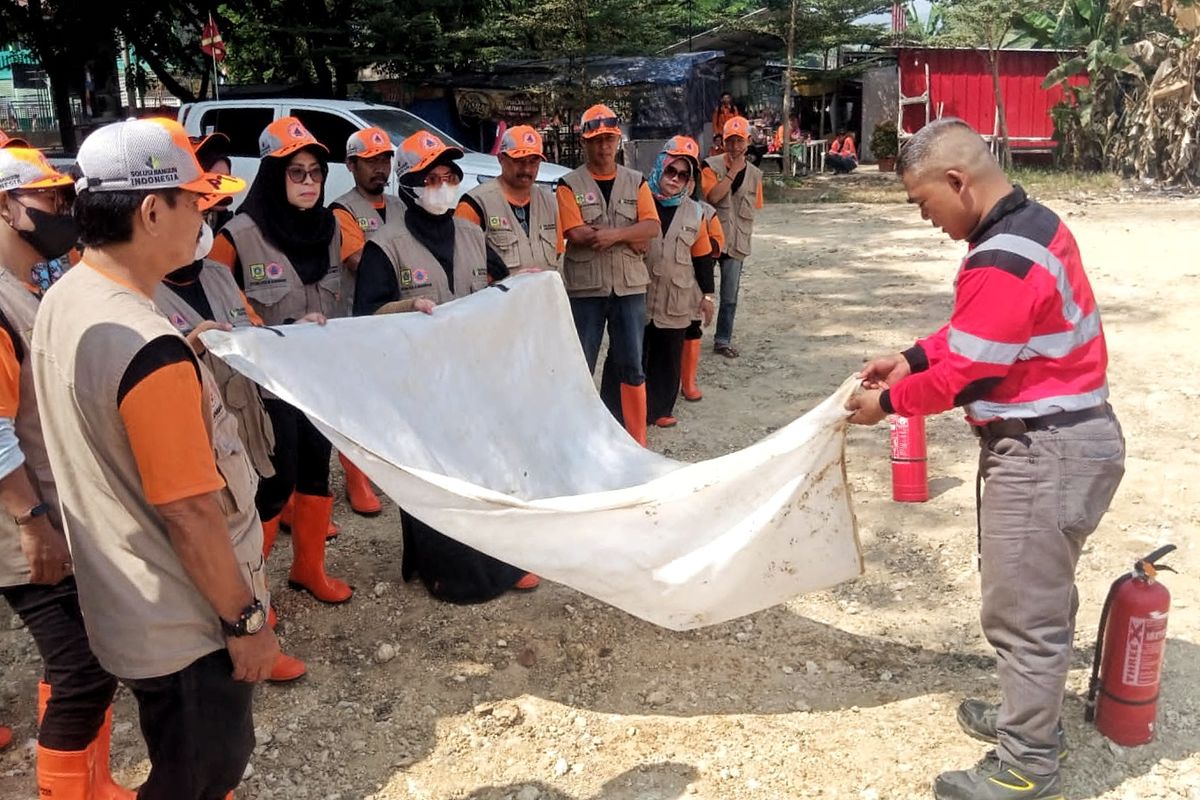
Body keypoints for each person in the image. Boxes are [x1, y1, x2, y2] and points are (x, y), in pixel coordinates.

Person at [846, 118, 1125, 800]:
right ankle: (1027, 715)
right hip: (1067, 440)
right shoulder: (1030, 226)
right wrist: (911, 355)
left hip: (1044, 450)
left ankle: (1028, 761)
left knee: (1022, 611)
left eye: (923, 203)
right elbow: (975, 333)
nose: (926, 218)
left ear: (956, 181)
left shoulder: (1001, 257)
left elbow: (966, 374)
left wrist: (888, 403)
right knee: (1040, 596)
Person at [32, 117, 278, 800]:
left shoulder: (70, 294)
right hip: (185, 624)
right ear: (150, 209)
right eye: (194, 200)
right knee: (200, 774)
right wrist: (247, 623)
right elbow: (192, 512)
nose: (205, 213)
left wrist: (184, 355)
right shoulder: (148, 347)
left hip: (125, 600)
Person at [352, 130, 540, 602]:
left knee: (483, 468)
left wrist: (524, 283)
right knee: (433, 476)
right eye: (430, 177)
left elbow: (498, 286)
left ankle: (500, 558)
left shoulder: (473, 235)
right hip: (420, 384)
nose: (442, 185)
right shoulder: (386, 246)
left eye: (449, 176)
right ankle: (445, 570)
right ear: (409, 184)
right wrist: (405, 308)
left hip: (475, 376)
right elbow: (363, 317)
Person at [0, 146, 132, 798]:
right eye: (50, 199)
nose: (64, 211)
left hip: (51, 508)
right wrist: (29, 522)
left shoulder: (34, 284)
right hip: (22, 521)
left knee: (81, 662)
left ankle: (94, 782)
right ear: (5, 205)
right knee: (81, 669)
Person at [154, 175, 308, 685]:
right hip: (190, 431)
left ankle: (255, 613)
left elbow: (251, 329)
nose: (206, 226)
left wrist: (296, 332)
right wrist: (190, 345)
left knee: (257, 509)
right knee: (212, 530)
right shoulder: (140, 292)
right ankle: (228, 635)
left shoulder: (218, 275)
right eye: (200, 212)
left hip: (243, 417)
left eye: (212, 215)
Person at [208, 116, 354, 604]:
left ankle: (309, 570)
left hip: (320, 380)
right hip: (263, 386)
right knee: (275, 485)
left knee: (317, 470)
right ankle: (253, 594)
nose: (309, 182)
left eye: (315, 172)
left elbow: (350, 288)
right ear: (274, 175)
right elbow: (215, 296)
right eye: (297, 172)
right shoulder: (238, 235)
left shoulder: (331, 227)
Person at [555, 104, 659, 445]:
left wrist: (612, 235)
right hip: (586, 289)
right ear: (585, 142)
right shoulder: (568, 185)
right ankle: (581, 437)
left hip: (629, 287)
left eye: (608, 140)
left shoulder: (637, 181)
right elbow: (575, 232)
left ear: (617, 140)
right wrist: (630, 235)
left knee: (632, 363)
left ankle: (637, 440)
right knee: (582, 364)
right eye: (596, 140)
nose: (603, 147)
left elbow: (652, 226)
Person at [328, 126, 402, 518]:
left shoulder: (400, 205)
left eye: (385, 159)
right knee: (356, 402)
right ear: (351, 164)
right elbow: (360, 263)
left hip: (397, 316)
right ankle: (355, 476)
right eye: (371, 161)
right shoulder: (341, 212)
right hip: (360, 317)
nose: (381, 168)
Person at [640, 136, 716, 428]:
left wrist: (707, 296)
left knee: (669, 355)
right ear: (661, 166)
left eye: (683, 175)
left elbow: (703, 256)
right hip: (641, 293)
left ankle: (661, 409)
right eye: (671, 170)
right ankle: (637, 408)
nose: (675, 179)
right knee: (638, 354)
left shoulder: (696, 213)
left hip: (677, 296)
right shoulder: (639, 199)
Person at [457, 125, 563, 274]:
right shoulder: (474, 204)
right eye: (519, 161)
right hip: (499, 296)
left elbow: (558, 256)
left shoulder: (549, 203)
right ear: (501, 159)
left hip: (544, 296)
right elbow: (463, 266)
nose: (526, 169)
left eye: (533, 161)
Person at [701, 116, 764, 359]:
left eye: (739, 141)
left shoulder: (756, 175)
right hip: (710, 240)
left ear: (748, 141)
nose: (735, 147)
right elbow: (712, 197)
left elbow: (753, 207)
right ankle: (691, 334)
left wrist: (742, 170)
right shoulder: (710, 166)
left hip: (737, 241)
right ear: (722, 142)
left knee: (730, 296)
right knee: (698, 290)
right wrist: (733, 172)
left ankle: (722, 340)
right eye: (730, 141)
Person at [680, 196, 726, 404]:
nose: (680, 180)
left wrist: (694, 238)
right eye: (671, 172)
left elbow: (717, 243)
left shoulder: (706, 211)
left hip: (694, 281)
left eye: (687, 176)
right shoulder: (653, 205)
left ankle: (688, 383)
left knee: (692, 328)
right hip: (660, 280)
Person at [191, 132, 236, 231]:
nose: (225, 185)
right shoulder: (174, 226)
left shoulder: (228, 225)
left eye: (227, 177)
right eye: (216, 178)